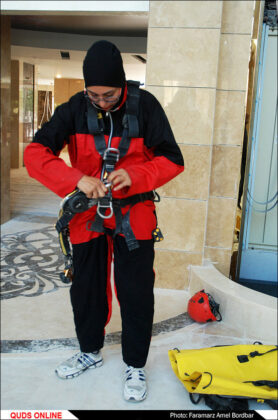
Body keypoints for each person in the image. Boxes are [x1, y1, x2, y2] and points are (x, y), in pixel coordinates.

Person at [24, 40, 184, 402]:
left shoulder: (146, 107)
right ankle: (90, 351)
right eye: (93, 95)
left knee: (136, 292)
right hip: (86, 216)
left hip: (134, 216)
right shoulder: (74, 109)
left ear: (122, 85)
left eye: (109, 95)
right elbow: (35, 154)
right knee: (87, 288)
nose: (101, 102)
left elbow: (173, 159)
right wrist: (74, 180)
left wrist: (137, 176)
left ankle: (135, 365)